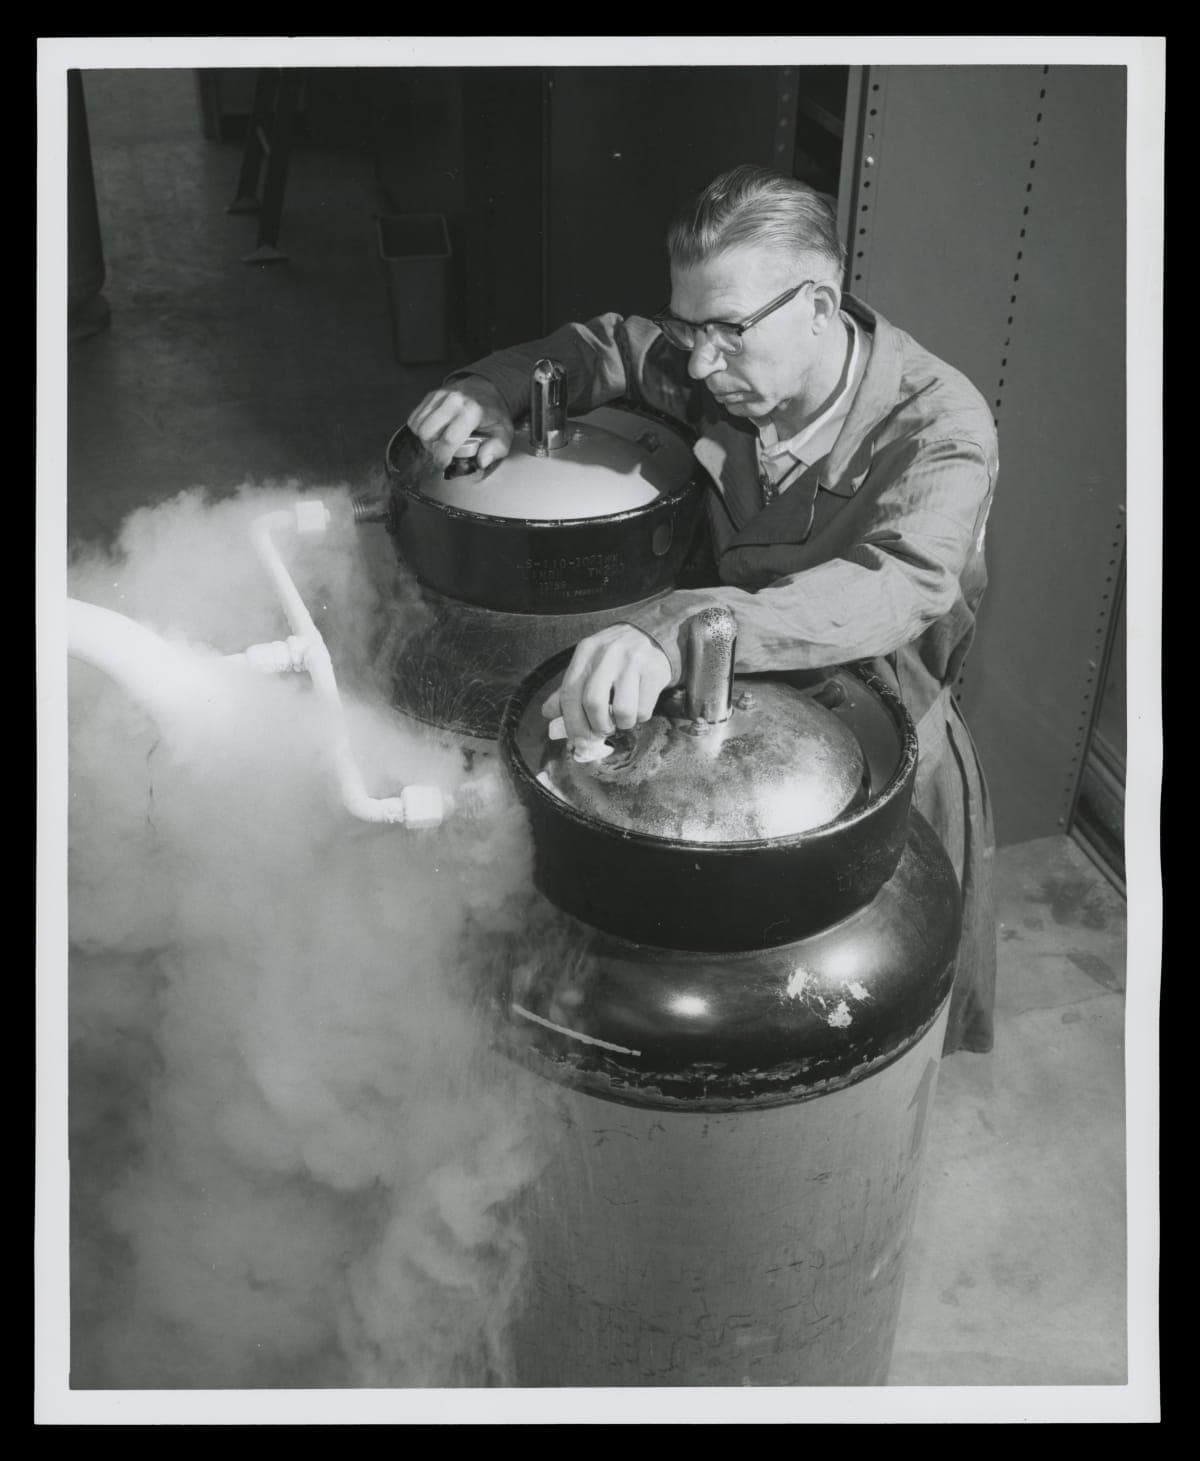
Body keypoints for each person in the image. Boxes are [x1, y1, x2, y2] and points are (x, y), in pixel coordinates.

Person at [407, 164, 998, 1055]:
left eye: (729, 329)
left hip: (876, 761)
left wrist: (686, 625)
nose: (703, 361)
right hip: (729, 714)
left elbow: (900, 580)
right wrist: (493, 388)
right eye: (691, 326)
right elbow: (605, 345)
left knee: (859, 1022)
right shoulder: (712, 367)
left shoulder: (939, 428)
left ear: (820, 304)